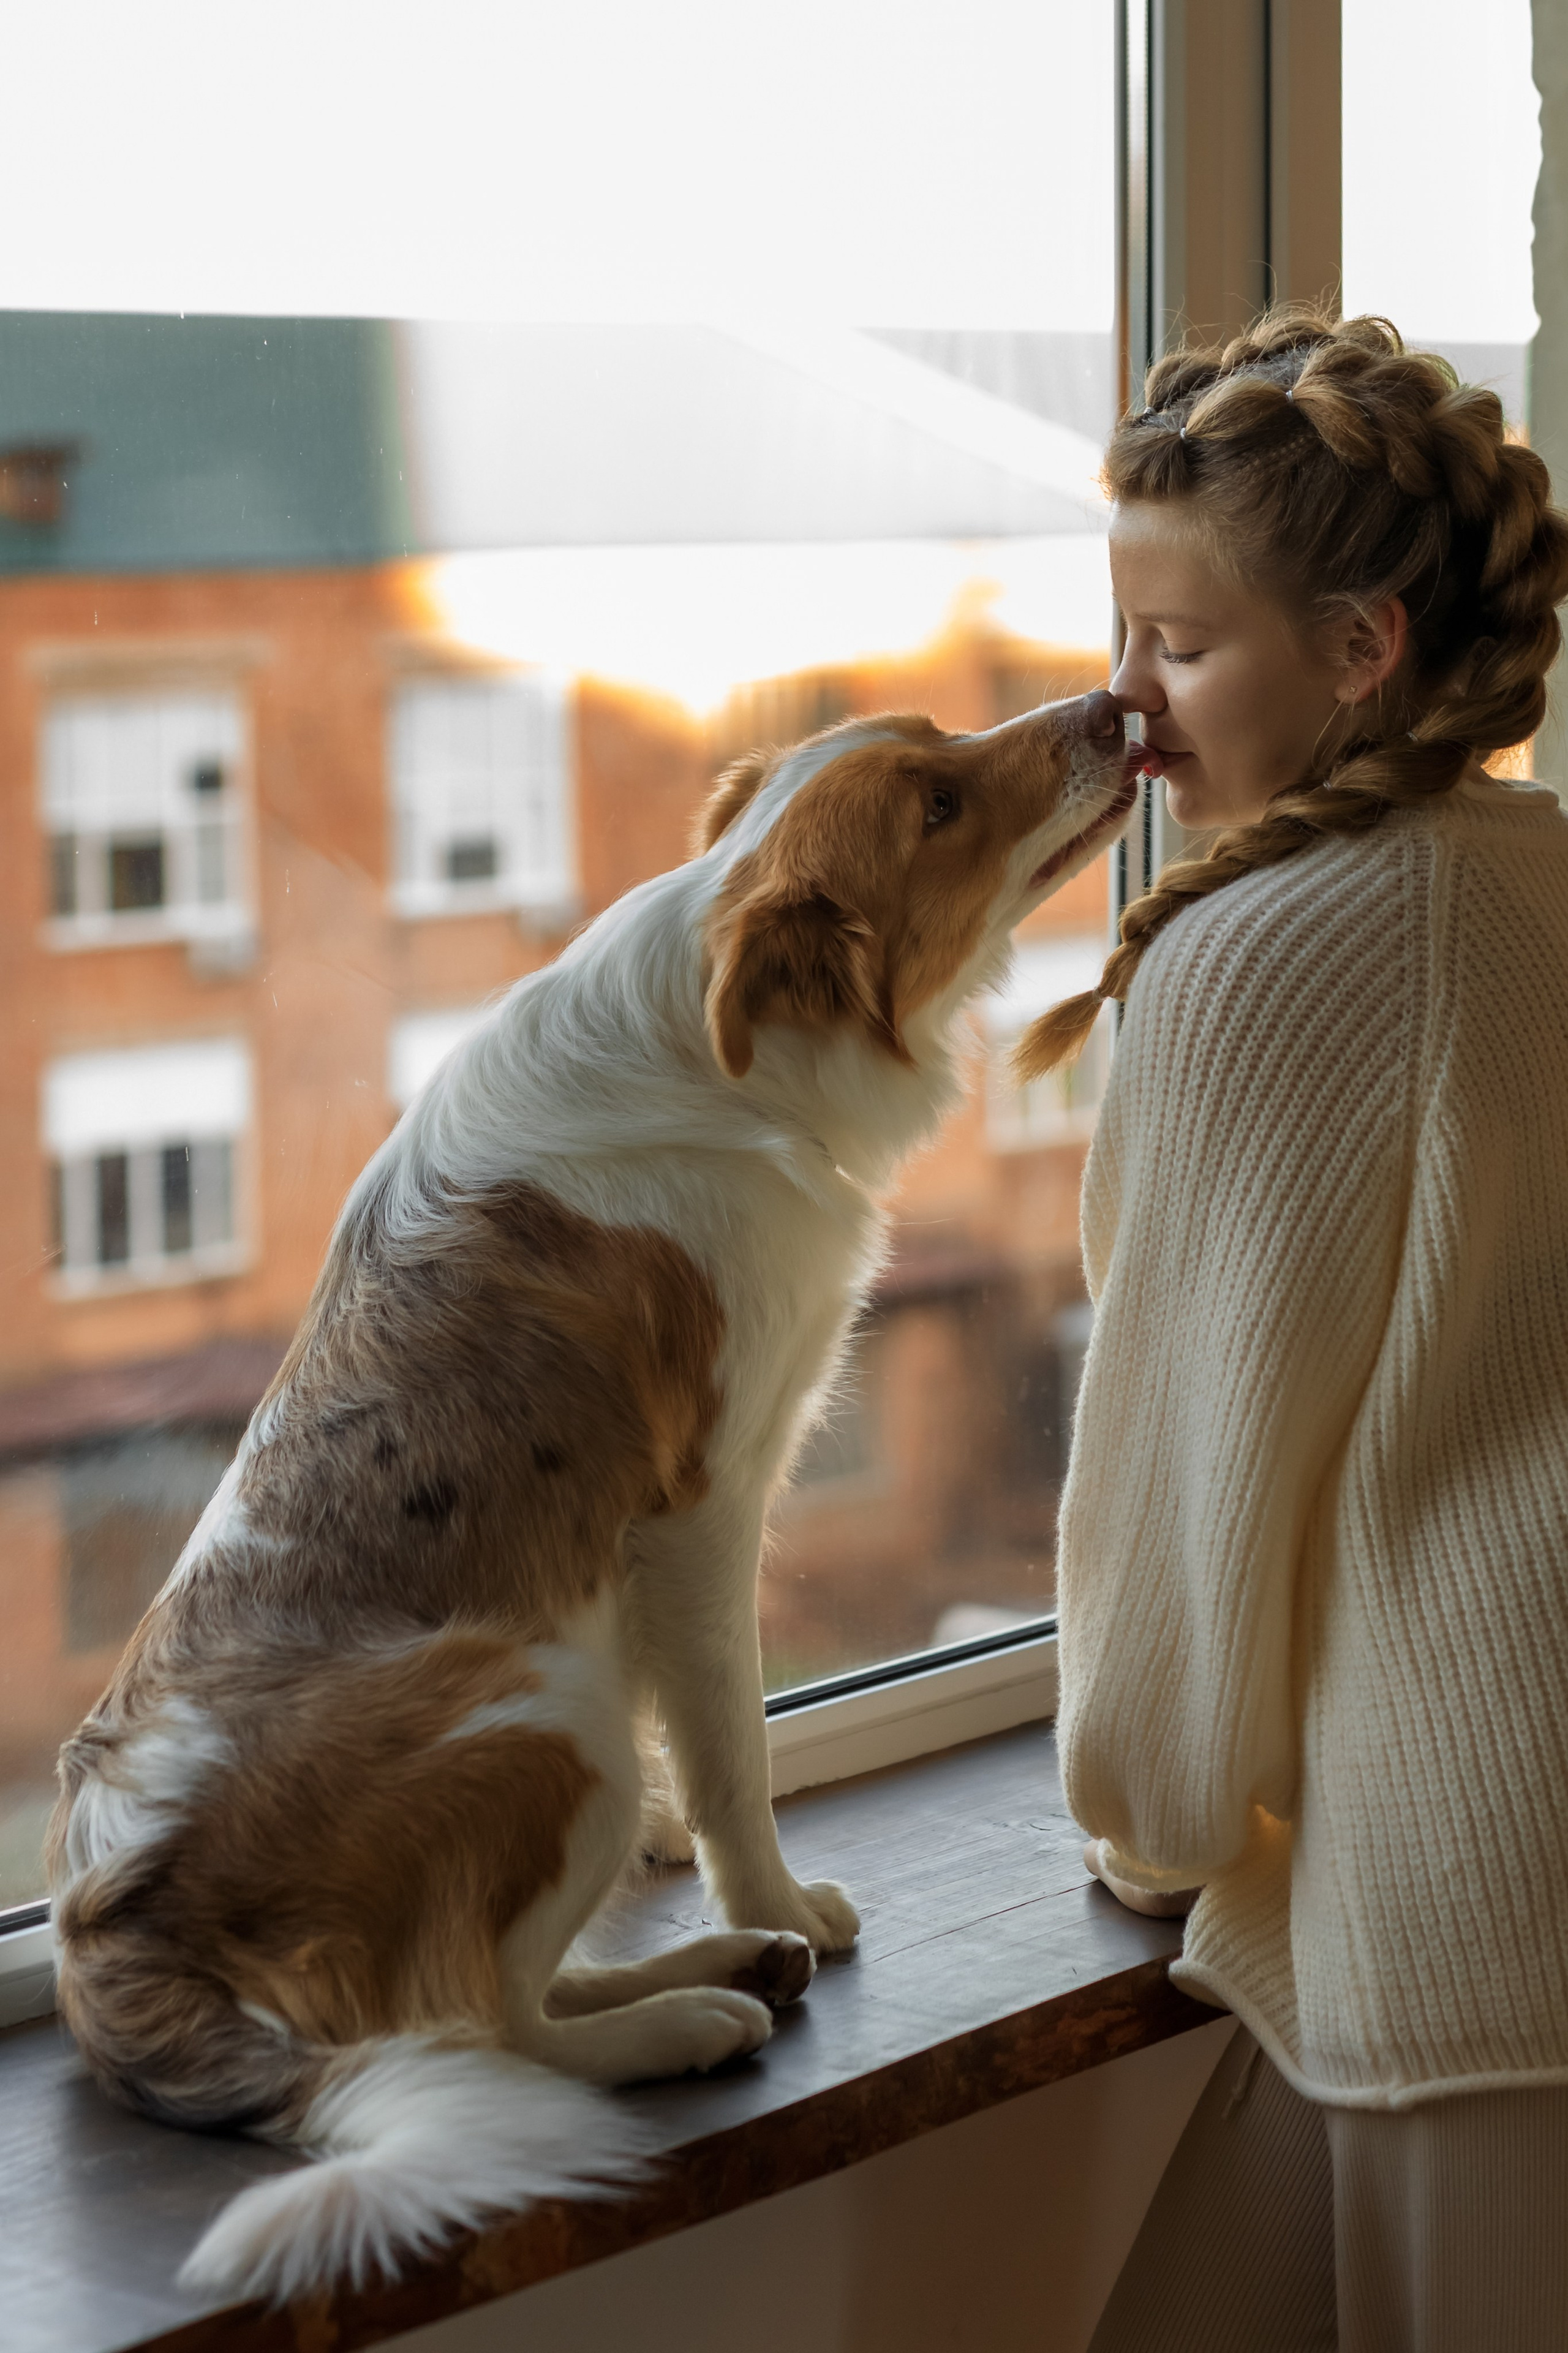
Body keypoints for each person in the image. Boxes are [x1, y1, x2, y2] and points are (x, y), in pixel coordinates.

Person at [1014, 308, 1568, 2351]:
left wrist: (1154, 1815)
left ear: (1363, 648)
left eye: (1178, 641)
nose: (1123, 700)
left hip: (1487, 1915)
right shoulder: (1551, 882)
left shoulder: (1255, 964)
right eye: (1122, 630)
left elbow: (1189, 1470)